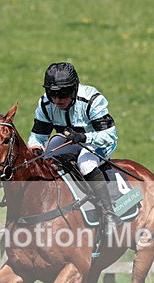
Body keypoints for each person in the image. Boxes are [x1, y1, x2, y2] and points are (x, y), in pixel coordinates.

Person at [27, 62, 121, 236]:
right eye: (53, 94)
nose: (57, 100)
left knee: (85, 164)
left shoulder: (92, 99)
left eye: (63, 94)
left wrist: (84, 137)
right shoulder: (45, 104)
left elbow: (110, 135)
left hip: (99, 143)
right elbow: (38, 137)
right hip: (69, 141)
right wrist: (36, 149)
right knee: (43, 162)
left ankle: (109, 214)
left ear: (74, 88)